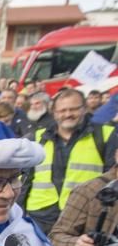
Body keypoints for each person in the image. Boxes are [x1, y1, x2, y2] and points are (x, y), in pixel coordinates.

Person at [21, 88, 117, 234]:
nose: (68, 114)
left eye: (74, 109)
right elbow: (25, 179)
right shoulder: (37, 137)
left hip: (83, 215)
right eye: (62, 110)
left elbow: (112, 177)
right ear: (54, 112)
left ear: (84, 109)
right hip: (41, 215)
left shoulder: (105, 135)